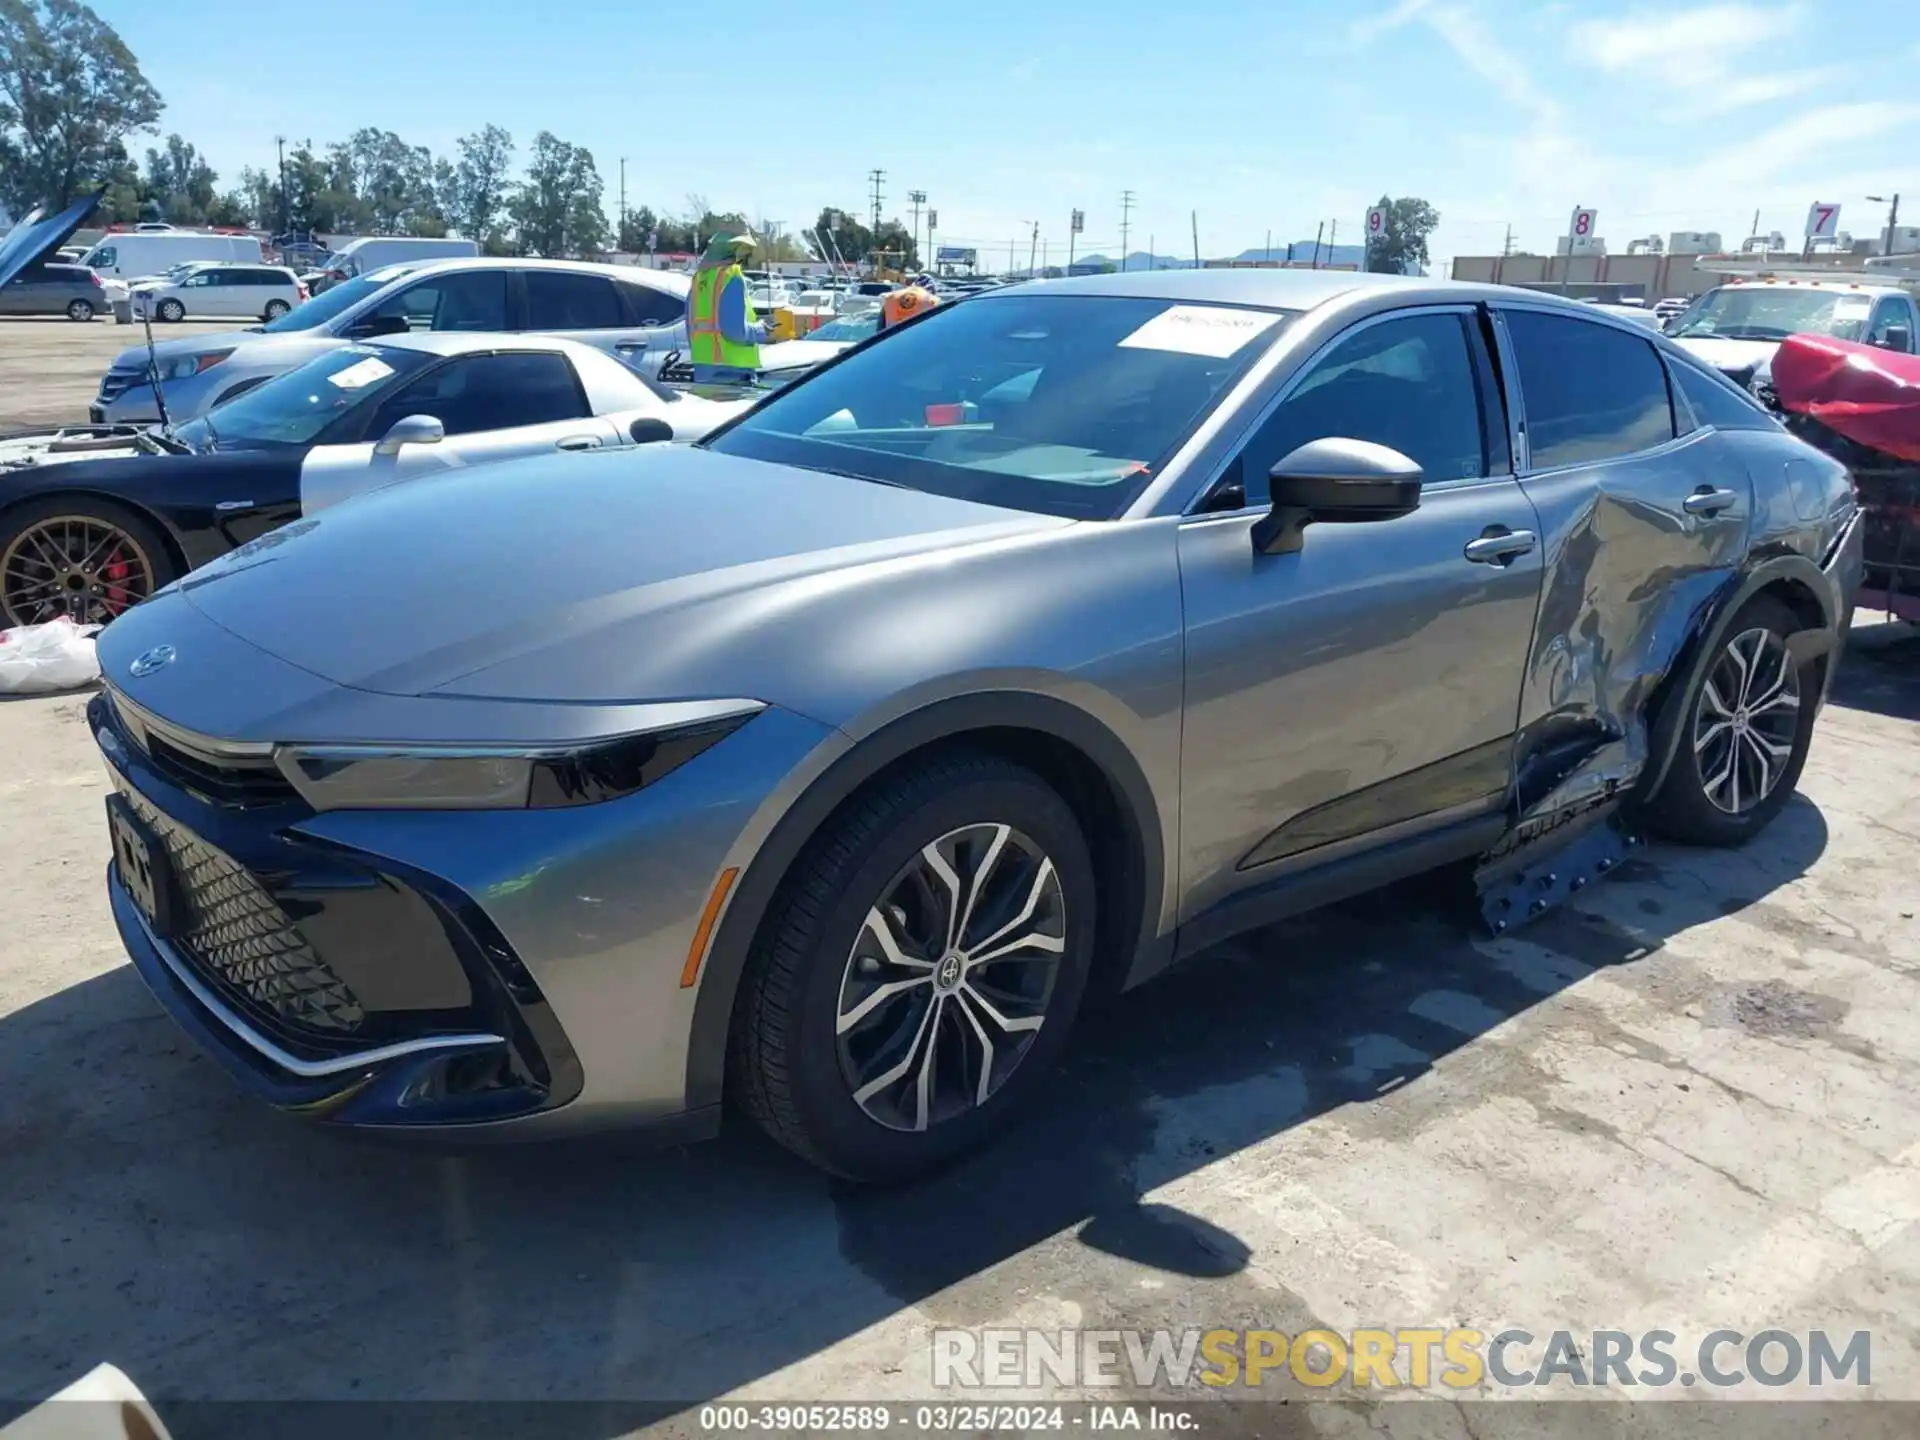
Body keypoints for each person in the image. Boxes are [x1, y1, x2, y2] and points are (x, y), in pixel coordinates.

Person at [684, 232, 770, 383]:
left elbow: (690, 327)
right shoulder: (732, 277)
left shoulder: (699, 280)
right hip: (733, 374)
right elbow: (735, 331)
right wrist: (760, 330)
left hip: (703, 372)